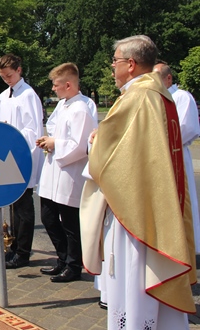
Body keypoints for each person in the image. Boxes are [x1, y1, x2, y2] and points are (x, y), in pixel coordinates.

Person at [80, 35, 196, 329]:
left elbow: (109, 158)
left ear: (130, 64)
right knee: (150, 275)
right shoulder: (160, 94)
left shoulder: (136, 97)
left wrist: (94, 141)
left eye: (115, 61)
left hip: (134, 210)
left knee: (134, 274)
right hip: (154, 202)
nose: (112, 67)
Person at [36, 63, 97, 283]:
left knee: (70, 223)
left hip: (69, 171)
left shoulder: (81, 109)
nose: (53, 89)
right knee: (48, 217)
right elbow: (54, 129)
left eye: (56, 85)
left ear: (68, 85)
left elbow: (80, 146)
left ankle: (73, 265)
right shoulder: (64, 105)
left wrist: (55, 143)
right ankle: (62, 258)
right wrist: (48, 140)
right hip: (53, 169)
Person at [0, 54, 44, 269]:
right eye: (3, 76)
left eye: (9, 75)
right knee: (13, 206)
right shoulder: (2, 97)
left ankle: (23, 252)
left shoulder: (28, 95)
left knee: (23, 207)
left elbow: (33, 129)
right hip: (6, 159)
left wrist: (13, 139)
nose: (6, 79)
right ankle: (13, 247)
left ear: (19, 71)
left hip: (22, 157)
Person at [154, 61, 200, 253]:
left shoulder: (181, 97)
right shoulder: (156, 98)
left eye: (157, 78)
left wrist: (157, 139)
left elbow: (187, 128)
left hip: (176, 155)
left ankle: (186, 246)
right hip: (158, 158)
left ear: (168, 78)